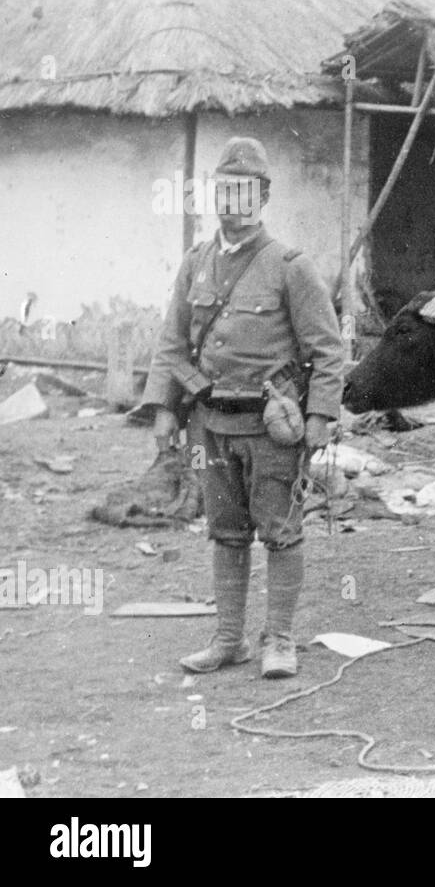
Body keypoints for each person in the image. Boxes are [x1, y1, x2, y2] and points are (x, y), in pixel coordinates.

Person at [142, 137, 344, 678]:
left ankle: (279, 639)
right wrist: (164, 409)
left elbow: (327, 349)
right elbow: (172, 342)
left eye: (245, 191)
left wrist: (321, 416)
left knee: (279, 529)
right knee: (225, 531)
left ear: (264, 196)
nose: (233, 202)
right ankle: (228, 639)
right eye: (224, 190)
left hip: (270, 425)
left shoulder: (290, 267)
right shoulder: (196, 264)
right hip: (211, 424)